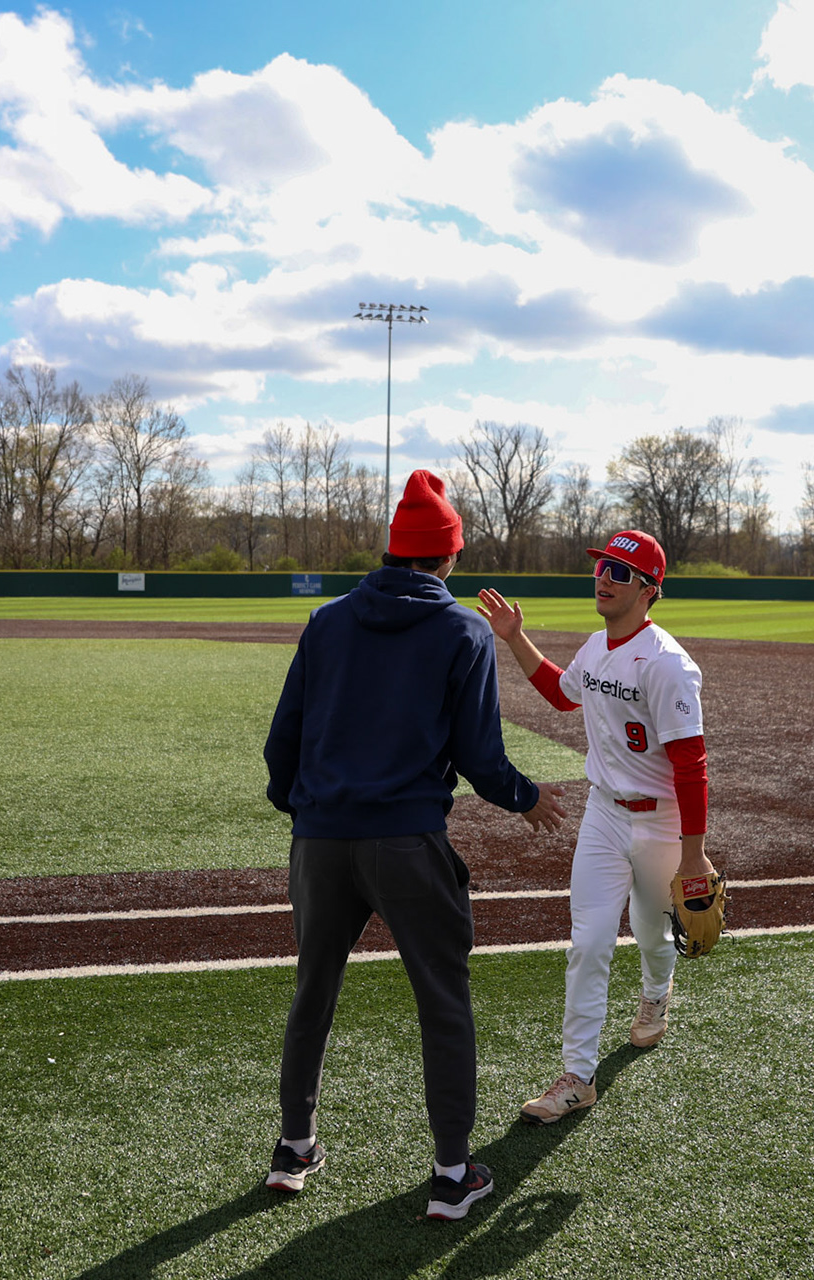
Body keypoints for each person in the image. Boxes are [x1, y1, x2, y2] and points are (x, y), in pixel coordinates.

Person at [262, 469, 568, 1221]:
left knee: (314, 992)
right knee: (443, 1001)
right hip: (406, 842)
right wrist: (527, 799)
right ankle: (452, 1174)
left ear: (393, 551)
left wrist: (304, 810)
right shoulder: (462, 630)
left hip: (321, 840)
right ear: (449, 557)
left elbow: (283, 742)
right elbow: (479, 756)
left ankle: (294, 1149)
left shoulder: (328, 622)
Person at [475, 529, 715, 1125]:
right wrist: (516, 639)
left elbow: (691, 765)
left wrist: (694, 857)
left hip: (661, 824)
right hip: (604, 815)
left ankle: (656, 995)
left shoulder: (667, 665)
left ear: (649, 588)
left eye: (619, 571)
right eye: (602, 567)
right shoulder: (597, 646)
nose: (604, 578)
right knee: (588, 942)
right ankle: (577, 1077)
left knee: (655, 936)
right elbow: (562, 694)